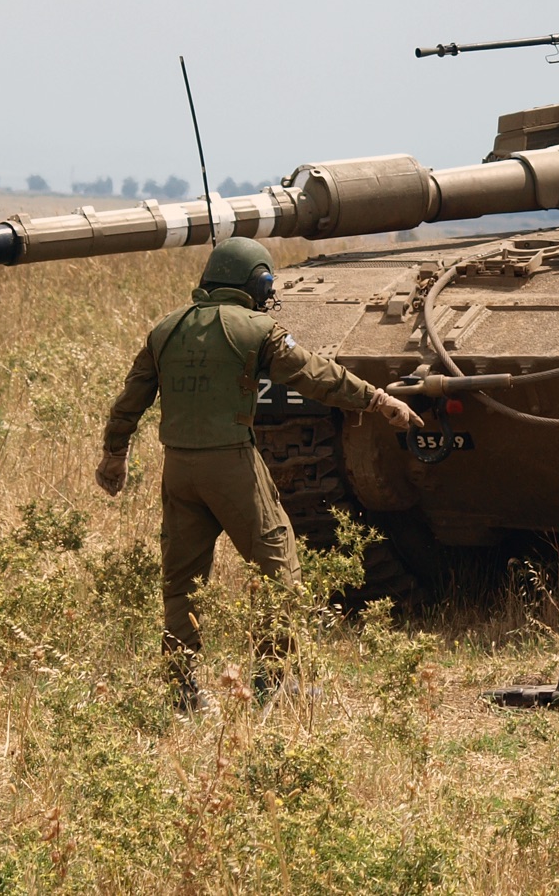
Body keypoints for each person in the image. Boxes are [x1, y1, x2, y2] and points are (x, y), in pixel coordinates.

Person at [95, 237, 422, 710]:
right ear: (256, 284)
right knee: (278, 568)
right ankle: (274, 681)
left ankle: (182, 688)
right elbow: (315, 374)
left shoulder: (164, 329)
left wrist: (114, 454)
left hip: (179, 469)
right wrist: (377, 399)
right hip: (231, 466)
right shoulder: (258, 329)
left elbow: (130, 402)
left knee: (183, 580)